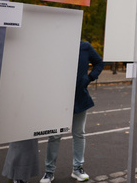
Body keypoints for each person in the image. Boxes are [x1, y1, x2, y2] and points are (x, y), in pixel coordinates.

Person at [40, 41, 104, 183]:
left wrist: (89, 78)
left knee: (79, 133)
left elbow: (99, 63)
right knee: (55, 135)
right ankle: (49, 172)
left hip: (79, 97)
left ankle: (77, 168)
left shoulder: (84, 46)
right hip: (58, 98)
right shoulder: (57, 44)